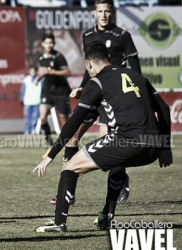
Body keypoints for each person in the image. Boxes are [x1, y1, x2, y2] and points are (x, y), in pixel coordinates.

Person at [33, 41, 172, 233]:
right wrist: (165, 147)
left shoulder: (96, 81)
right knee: (117, 161)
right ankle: (106, 216)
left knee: (70, 167)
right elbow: (164, 108)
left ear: (89, 63)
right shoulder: (136, 76)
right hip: (154, 147)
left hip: (128, 141)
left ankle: (59, 223)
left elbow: (74, 121)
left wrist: (51, 155)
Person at [50, 0, 143, 206]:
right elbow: (89, 66)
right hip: (95, 92)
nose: (103, 15)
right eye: (100, 11)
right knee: (73, 137)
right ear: (94, 13)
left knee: (110, 143)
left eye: (107, 11)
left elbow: (136, 72)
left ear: (112, 13)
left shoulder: (122, 36)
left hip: (114, 97)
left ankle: (120, 181)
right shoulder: (87, 36)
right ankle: (67, 192)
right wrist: (83, 87)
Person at [37, 33, 71, 158]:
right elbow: (42, 71)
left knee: (64, 121)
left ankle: (70, 146)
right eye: (47, 43)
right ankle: (50, 144)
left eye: (51, 43)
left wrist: (52, 71)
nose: (49, 45)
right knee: (42, 117)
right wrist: (38, 77)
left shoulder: (58, 56)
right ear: (43, 44)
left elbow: (68, 72)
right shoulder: (41, 58)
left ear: (54, 44)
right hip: (47, 91)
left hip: (60, 91)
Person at [20, 66, 42, 134]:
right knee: (27, 117)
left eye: (34, 71)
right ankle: (27, 130)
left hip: (37, 101)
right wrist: (22, 98)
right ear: (29, 72)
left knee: (35, 117)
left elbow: (43, 90)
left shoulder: (40, 80)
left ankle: (33, 130)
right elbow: (22, 90)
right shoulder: (26, 79)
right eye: (31, 71)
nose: (33, 72)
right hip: (27, 101)